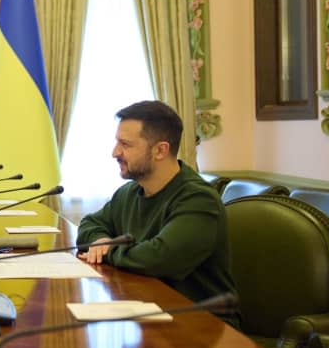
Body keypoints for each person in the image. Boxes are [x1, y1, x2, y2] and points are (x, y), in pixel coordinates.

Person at [76, 100, 240, 328]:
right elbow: (89, 224)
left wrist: (108, 250)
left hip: (202, 327)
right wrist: (100, 241)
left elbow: (160, 259)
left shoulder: (198, 199)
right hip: (147, 312)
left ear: (160, 150)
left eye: (125, 144)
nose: (115, 152)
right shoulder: (130, 192)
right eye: (117, 142)